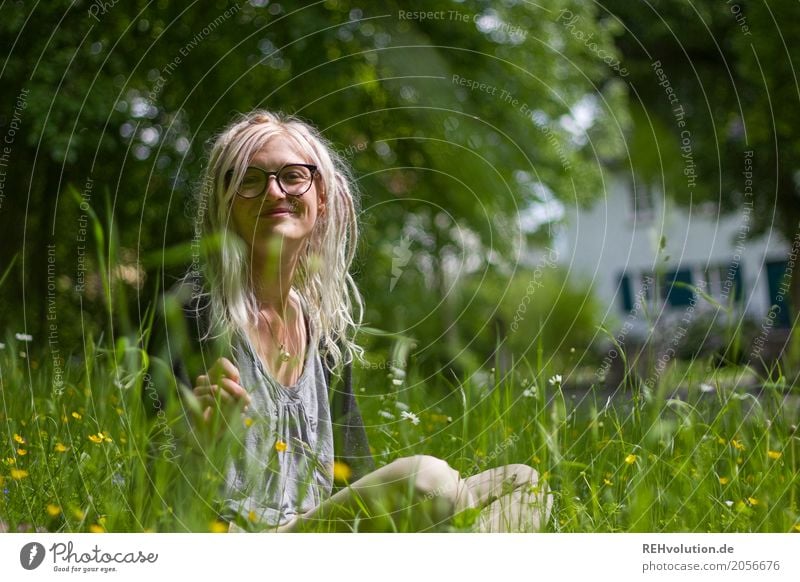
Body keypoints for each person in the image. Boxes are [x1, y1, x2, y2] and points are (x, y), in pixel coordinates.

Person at [167, 109, 552, 533]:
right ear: (224, 205)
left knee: (524, 484)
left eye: (293, 176)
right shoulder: (194, 315)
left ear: (322, 197)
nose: (274, 192)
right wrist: (201, 445)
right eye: (249, 180)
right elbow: (148, 492)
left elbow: (354, 473)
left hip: (319, 530)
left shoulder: (324, 332)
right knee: (430, 481)